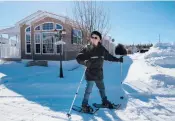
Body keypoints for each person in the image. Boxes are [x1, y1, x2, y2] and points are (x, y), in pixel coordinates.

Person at [76, 31, 125, 112]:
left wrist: (118, 59)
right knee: (88, 90)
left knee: (102, 89)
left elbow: (109, 57)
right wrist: (85, 62)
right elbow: (78, 58)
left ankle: (105, 102)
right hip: (90, 73)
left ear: (99, 40)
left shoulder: (102, 49)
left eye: (96, 37)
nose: (94, 39)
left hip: (99, 73)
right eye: (92, 37)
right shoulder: (87, 48)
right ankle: (84, 105)